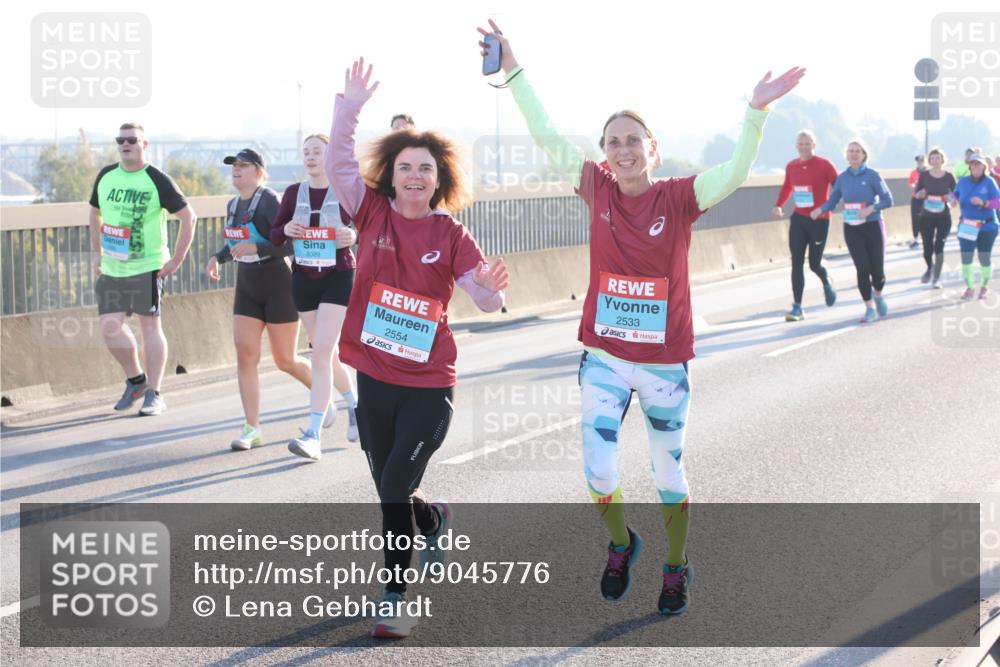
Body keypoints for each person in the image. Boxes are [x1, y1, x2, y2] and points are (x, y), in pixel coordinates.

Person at [477, 19, 802, 615]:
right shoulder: (596, 189)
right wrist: (514, 71)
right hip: (603, 356)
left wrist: (754, 113)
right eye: (612, 142)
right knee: (597, 469)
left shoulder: (678, 197)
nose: (622, 150)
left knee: (667, 473)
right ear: (605, 155)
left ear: (653, 148)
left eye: (633, 140)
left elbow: (732, 175)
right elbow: (546, 132)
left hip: (663, 365)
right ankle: (622, 543)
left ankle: (677, 566)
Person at [328, 58, 508, 638]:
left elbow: (482, 298)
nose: (413, 176)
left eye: (424, 169)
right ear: (391, 174)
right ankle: (434, 519)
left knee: (390, 489)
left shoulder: (450, 234)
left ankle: (396, 596)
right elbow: (335, 163)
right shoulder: (371, 210)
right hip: (375, 379)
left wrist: (489, 289)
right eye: (405, 167)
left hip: (429, 387)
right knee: (390, 482)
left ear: (438, 179)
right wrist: (349, 106)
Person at [205, 149, 314, 450]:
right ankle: (252, 427)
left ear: (259, 172)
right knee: (245, 353)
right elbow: (237, 244)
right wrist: (218, 257)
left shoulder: (269, 201)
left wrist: (259, 248)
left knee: (285, 360)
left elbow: (291, 243)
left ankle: (322, 395)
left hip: (278, 284)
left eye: (243, 166)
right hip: (248, 287)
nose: (236, 171)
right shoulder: (231, 205)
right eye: (233, 167)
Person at [88, 122, 197, 416]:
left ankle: (154, 392)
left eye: (132, 140)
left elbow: (189, 218)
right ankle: (136, 380)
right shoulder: (106, 176)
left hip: (147, 266)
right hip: (112, 266)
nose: (125, 144)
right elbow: (94, 213)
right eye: (120, 140)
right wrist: (96, 253)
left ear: (144, 145)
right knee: (110, 327)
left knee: (150, 328)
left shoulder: (157, 179)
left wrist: (176, 259)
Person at [269, 134, 361, 460]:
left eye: (317, 152)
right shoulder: (294, 193)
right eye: (306, 152)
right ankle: (354, 404)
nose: (310, 157)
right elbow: (275, 232)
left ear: (329, 156)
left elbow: (367, 225)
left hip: (338, 276)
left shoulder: (346, 191)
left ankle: (313, 435)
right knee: (327, 354)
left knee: (321, 354)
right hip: (304, 279)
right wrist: (287, 230)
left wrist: (353, 235)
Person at [812, 140, 893, 323]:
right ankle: (869, 308)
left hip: (872, 225)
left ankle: (878, 294)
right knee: (862, 268)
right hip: (852, 228)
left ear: (864, 155)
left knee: (877, 272)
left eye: (858, 151)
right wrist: (820, 209)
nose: (854, 154)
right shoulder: (842, 178)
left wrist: (871, 208)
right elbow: (833, 200)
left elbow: (888, 199)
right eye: (851, 151)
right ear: (846, 155)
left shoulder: (873, 175)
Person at [771, 130, 839, 321]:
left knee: (814, 264)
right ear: (796, 146)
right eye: (800, 143)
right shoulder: (791, 166)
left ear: (814, 145)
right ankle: (798, 307)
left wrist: (826, 207)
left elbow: (838, 187)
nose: (804, 146)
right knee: (796, 262)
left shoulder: (825, 165)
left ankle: (825, 278)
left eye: (807, 143)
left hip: (820, 220)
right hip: (799, 219)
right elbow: (787, 187)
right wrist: (778, 205)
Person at [953, 153, 1000, 300]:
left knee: (984, 257)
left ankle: (984, 287)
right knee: (966, 257)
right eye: (973, 164)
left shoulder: (989, 182)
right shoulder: (963, 181)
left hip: (987, 226)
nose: (976, 167)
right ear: (970, 166)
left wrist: (984, 203)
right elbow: (955, 194)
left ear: (984, 166)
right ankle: (970, 288)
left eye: (979, 164)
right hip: (968, 224)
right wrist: (952, 200)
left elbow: (998, 202)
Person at [912, 148, 956, 289]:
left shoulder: (948, 176)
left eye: (938, 158)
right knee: (927, 247)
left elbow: (956, 194)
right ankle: (930, 268)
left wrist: (952, 199)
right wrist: (920, 193)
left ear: (943, 160)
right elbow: (916, 193)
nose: (935, 160)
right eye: (932, 158)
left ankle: (936, 278)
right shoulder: (924, 175)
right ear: (929, 161)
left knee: (939, 246)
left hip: (944, 216)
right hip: (926, 216)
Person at [908, 154, 927, 249]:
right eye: (918, 161)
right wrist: (913, 185)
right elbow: (910, 183)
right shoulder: (913, 172)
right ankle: (915, 238)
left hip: (925, 198)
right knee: (915, 218)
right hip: (915, 197)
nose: (920, 163)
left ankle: (926, 238)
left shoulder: (928, 172)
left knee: (925, 218)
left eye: (921, 161)